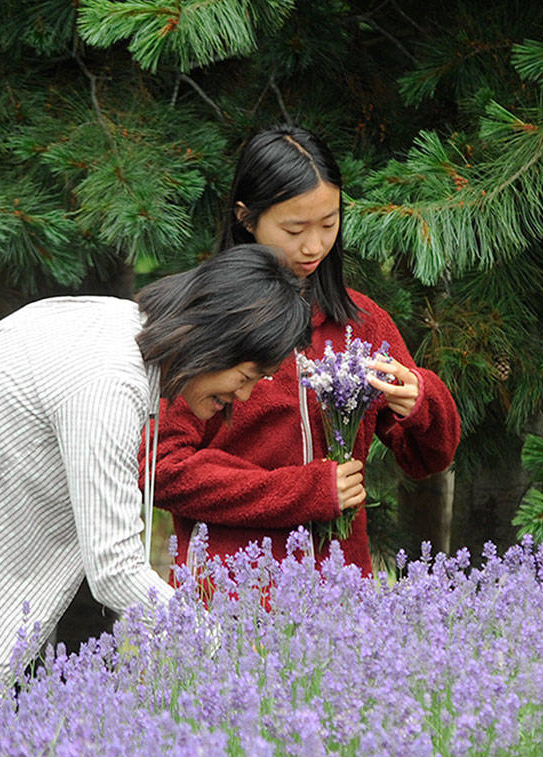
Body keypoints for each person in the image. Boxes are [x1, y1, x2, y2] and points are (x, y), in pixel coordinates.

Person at [0, 244, 312, 697]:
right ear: (214, 339)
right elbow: (114, 568)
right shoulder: (108, 381)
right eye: (246, 377)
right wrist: (225, 650)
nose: (244, 396)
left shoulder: (120, 327)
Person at [150, 124, 461, 581]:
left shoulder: (360, 324)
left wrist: (421, 401)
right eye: (294, 228)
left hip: (339, 595)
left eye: (329, 224)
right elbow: (163, 469)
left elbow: (427, 458)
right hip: (231, 597)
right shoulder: (207, 319)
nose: (314, 246)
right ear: (246, 217)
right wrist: (304, 491)